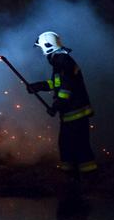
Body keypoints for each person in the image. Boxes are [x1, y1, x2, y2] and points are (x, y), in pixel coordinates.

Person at [26, 31, 97, 174]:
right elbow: (57, 83)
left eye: (41, 48)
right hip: (70, 114)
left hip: (75, 113)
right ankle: (72, 178)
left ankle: (87, 178)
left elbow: (66, 88)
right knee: (66, 145)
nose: (42, 52)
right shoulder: (60, 61)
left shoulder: (63, 61)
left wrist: (56, 106)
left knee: (78, 146)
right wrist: (39, 86)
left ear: (47, 47)